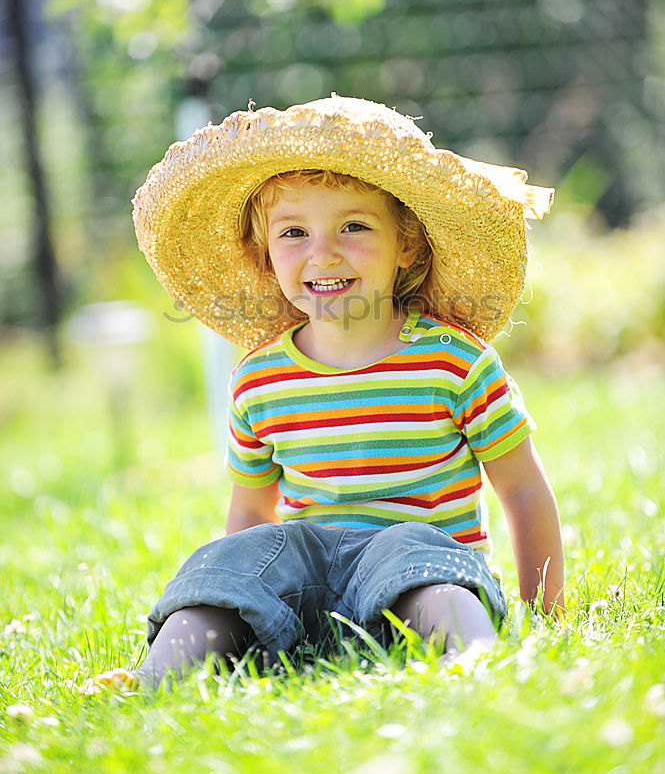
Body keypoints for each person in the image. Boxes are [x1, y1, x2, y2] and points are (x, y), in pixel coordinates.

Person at [81, 95, 564, 693]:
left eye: (354, 226)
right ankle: (162, 676)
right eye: (294, 232)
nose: (323, 252)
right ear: (266, 255)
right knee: (226, 566)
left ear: (406, 245)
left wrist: (544, 612)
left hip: (413, 570)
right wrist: (241, 580)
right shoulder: (259, 380)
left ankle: (471, 656)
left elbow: (521, 490)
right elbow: (252, 514)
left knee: (425, 563)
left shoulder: (452, 364)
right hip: (306, 578)